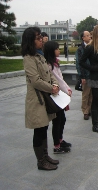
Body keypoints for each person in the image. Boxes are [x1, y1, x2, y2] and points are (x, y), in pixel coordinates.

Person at [21, 26, 59, 170]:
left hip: (45, 97)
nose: (41, 40)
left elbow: (49, 75)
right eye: (38, 38)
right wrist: (51, 88)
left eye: (40, 37)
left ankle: (45, 156)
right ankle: (41, 161)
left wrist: (54, 84)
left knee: (44, 127)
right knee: (39, 130)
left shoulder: (40, 56)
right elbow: (35, 80)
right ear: (30, 41)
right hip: (37, 100)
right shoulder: (29, 58)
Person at [44, 41, 72, 153]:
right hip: (55, 96)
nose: (58, 50)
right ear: (51, 50)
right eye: (56, 49)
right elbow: (58, 80)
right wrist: (67, 89)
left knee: (62, 119)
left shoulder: (54, 63)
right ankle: (57, 145)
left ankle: (60, 140)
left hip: (59, 95)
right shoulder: (49, 65)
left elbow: (60, 79)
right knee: (57, 120)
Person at [76, 31, 93, 120]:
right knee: (85, 94)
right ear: (83, 38)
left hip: (92, 74)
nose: (89, 37)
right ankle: (85, 111)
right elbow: (79, 64)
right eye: (87, 36)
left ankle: (89, 110)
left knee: (91, 95)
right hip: (85, 75)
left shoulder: (92, 46)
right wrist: (82, 76)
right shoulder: (80, 49)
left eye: (89, 35)